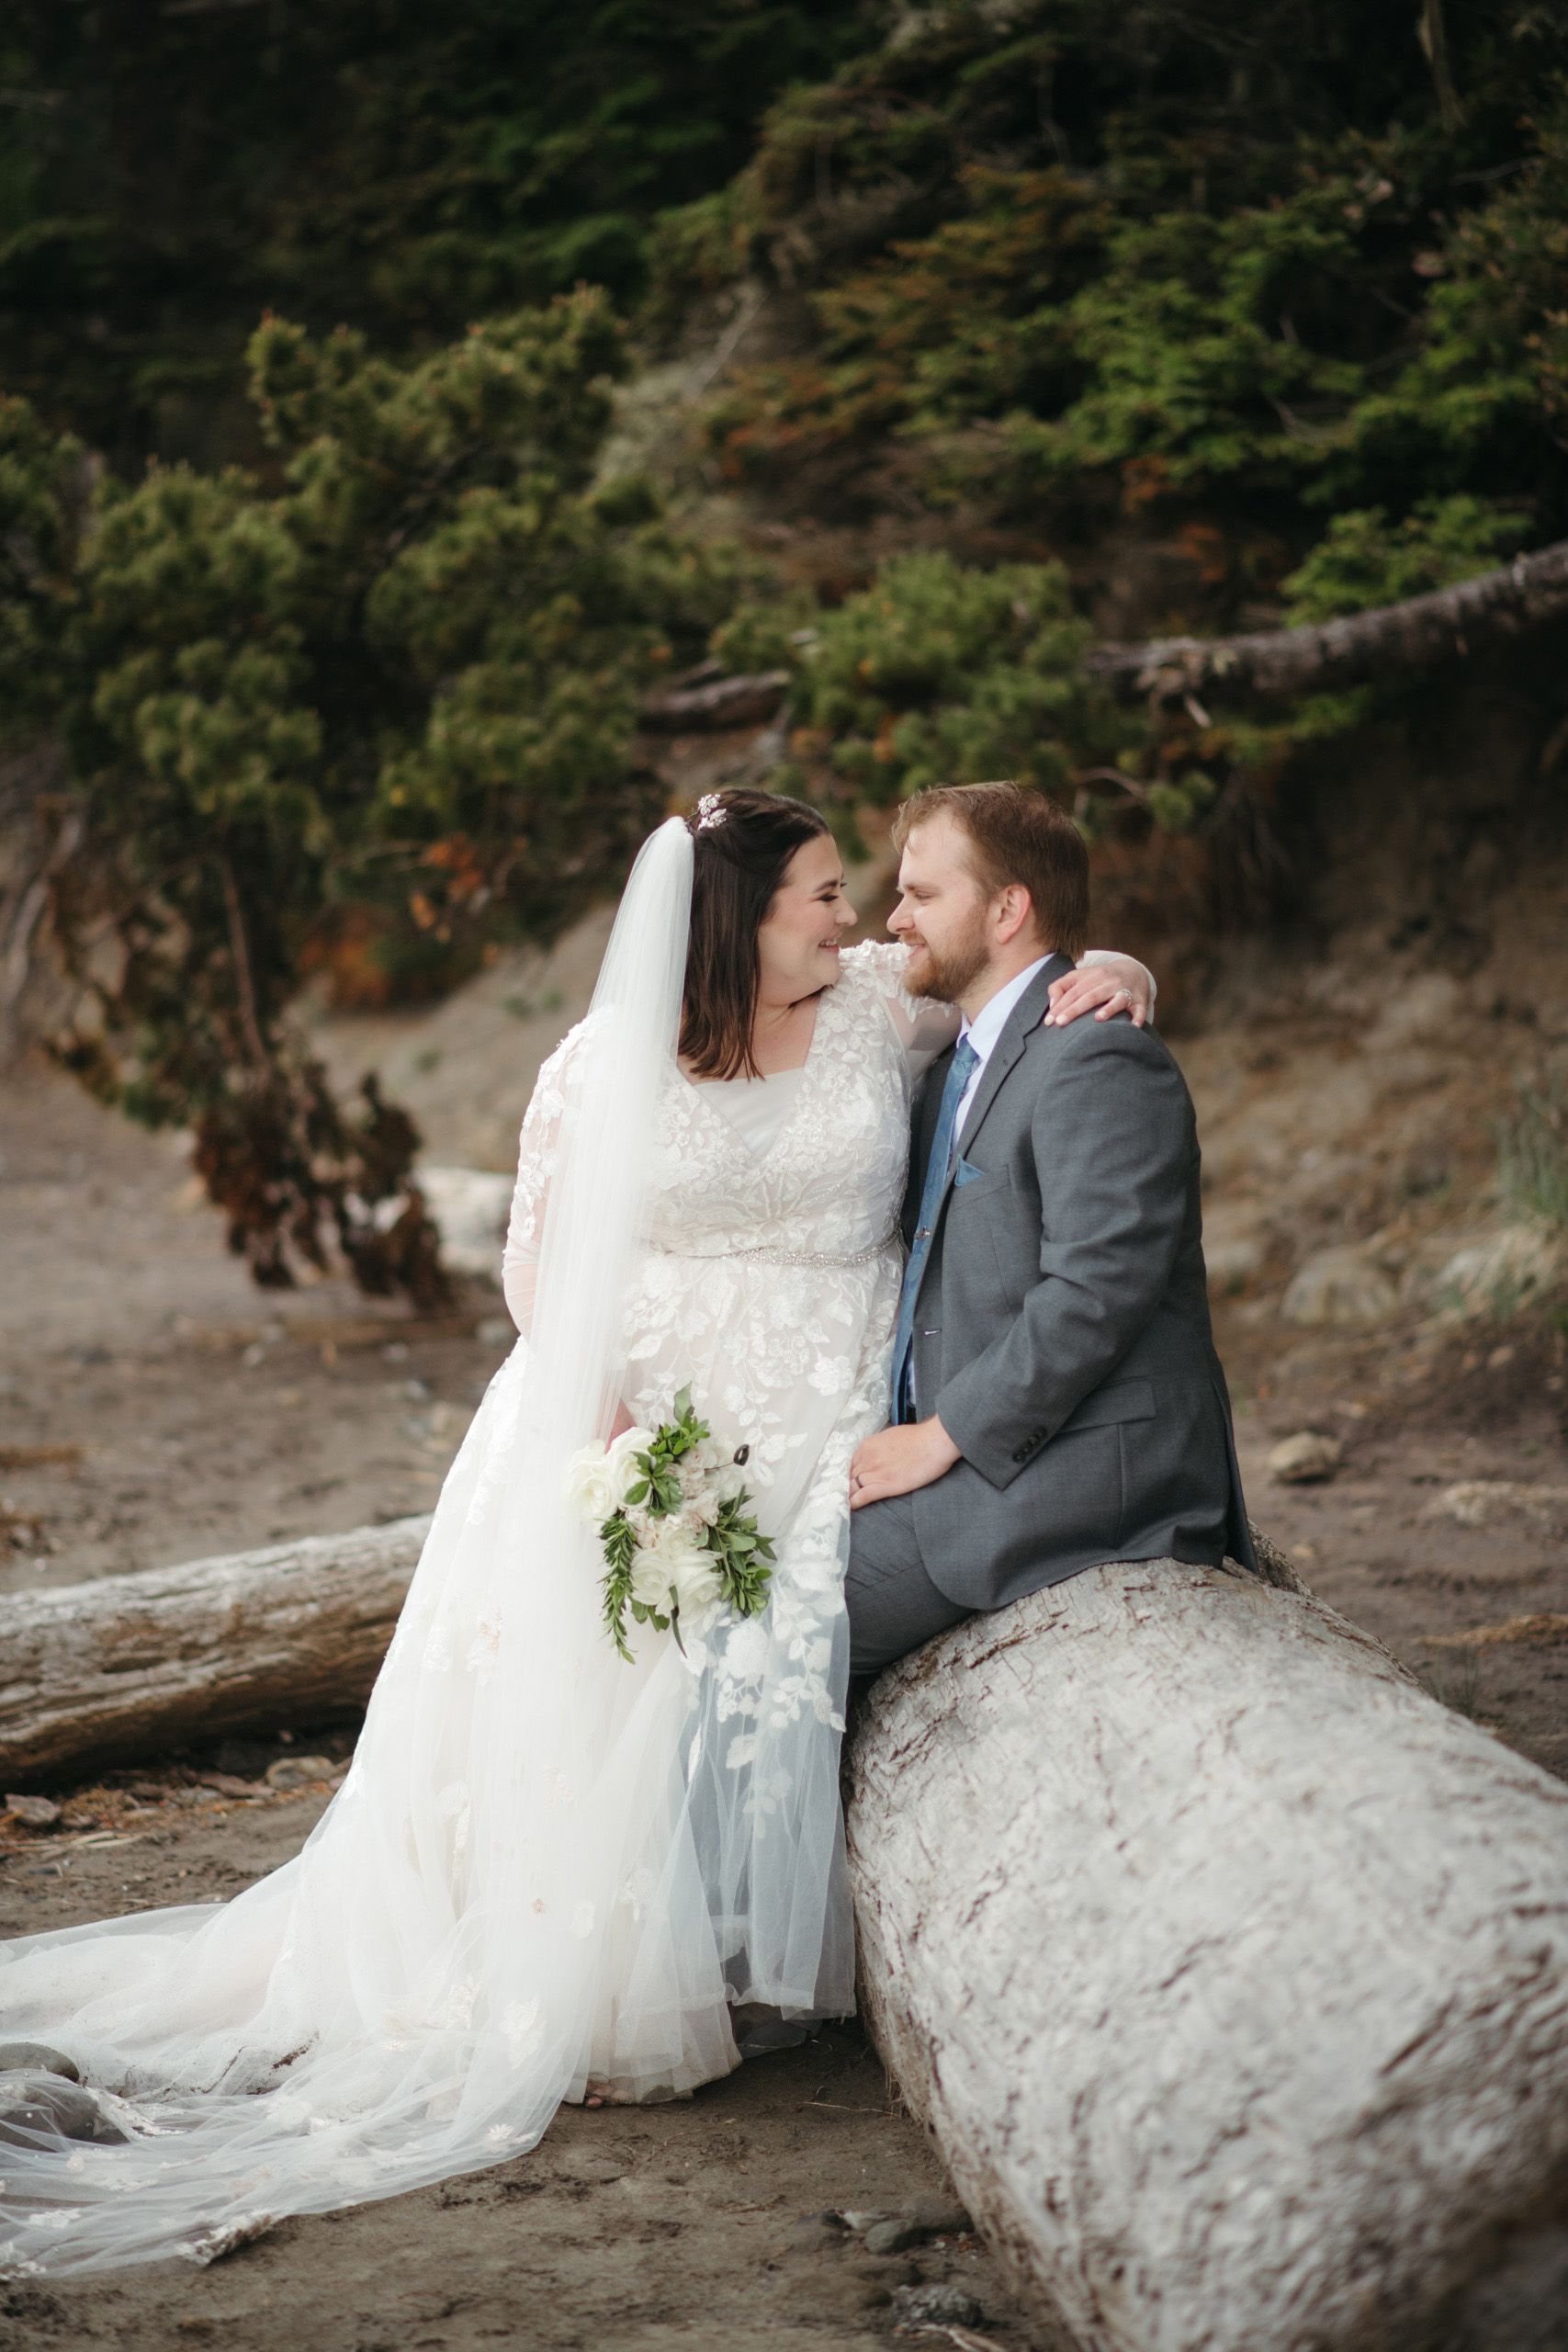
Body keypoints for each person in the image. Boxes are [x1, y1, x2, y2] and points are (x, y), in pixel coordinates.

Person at [0, 787, 1152, 2275]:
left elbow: (1015, 982)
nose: (852, 914)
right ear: (735, 917)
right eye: (816, 891)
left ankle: (731, 1970)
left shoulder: (878, 1008)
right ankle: (587, 1985)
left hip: (817, 1414)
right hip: (634, 1415)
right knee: (589, 1692)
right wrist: (601, 1418)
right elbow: (535, 1256)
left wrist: (1121, 961)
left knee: (744, 1671)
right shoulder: (600, 1061)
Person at [843, 783, 1255, 1676]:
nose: (894, 917)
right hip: (986, 1456)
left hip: (1085, 1471)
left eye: (921, 894)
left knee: (787, 1621)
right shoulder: (955, 1056)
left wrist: (940, 1433)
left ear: (1008, 908)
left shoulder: (1098, 1053)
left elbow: (1096, 1290)